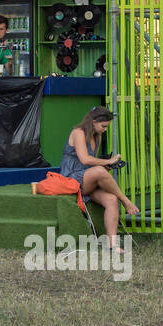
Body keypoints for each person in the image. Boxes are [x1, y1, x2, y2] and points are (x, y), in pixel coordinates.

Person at [61, 106, 140, 249]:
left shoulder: (98, 136)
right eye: (103, 126)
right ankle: (125, 200)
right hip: (71, 179)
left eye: (107, 127)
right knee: (99, 170)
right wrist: (108, 162)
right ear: (93, 121)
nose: (105, 129)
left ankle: (112, 245)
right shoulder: (78, 132)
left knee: (111, 199)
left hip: (87, 180)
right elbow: (85, 160)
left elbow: (92, 163)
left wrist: (106, 166)